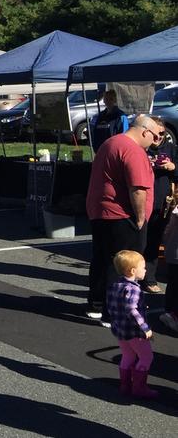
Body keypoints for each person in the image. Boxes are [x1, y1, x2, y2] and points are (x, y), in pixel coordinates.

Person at [85, 114, 164, 319]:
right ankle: (114, 313)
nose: (157, 141)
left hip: (101, 211)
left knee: (102, 259)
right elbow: (137, 189)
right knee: (124, 265)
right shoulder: (133, 150)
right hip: (122, 214)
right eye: (156, 136)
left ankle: (96, 304)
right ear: (145, 131)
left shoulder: (111, 142)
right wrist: (140, 218)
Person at [106, 250, 157, 399]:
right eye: (143, 267)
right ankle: (139, 387)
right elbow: (131, 309)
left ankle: (125, 385)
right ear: (133, 270)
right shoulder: (134, 289)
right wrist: (145, 328)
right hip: (135, 332)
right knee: (146, 357)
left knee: (127, 355)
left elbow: (113, 306)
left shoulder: (115, 285)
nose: (146, 269)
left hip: (120, 330)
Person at [144, 128, 176, 292]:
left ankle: (149, 279)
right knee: (138, 241)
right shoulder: (141, 147)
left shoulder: (171, 149)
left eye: (162, 134)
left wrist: (172, 167)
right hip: (140, 200)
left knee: (154, 241)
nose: (158, 137)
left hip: (161, 203)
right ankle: (131, 276)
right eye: (155, 134)